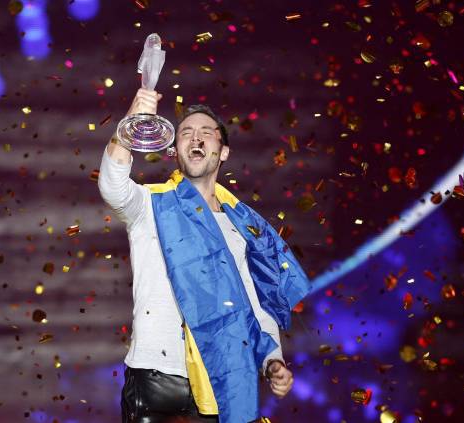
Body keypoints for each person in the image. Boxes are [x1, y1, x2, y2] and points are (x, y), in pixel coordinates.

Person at [98, 88, 310, 423]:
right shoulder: (150, 204)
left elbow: (256, 301)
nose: (195, 138)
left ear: (223, 152)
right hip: (156, 379)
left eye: (206, 133)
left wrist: (272, 360)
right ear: (174, 150)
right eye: (186, 133)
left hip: (221, 381)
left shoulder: (244, 225)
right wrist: (132, 121)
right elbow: (112, 184)